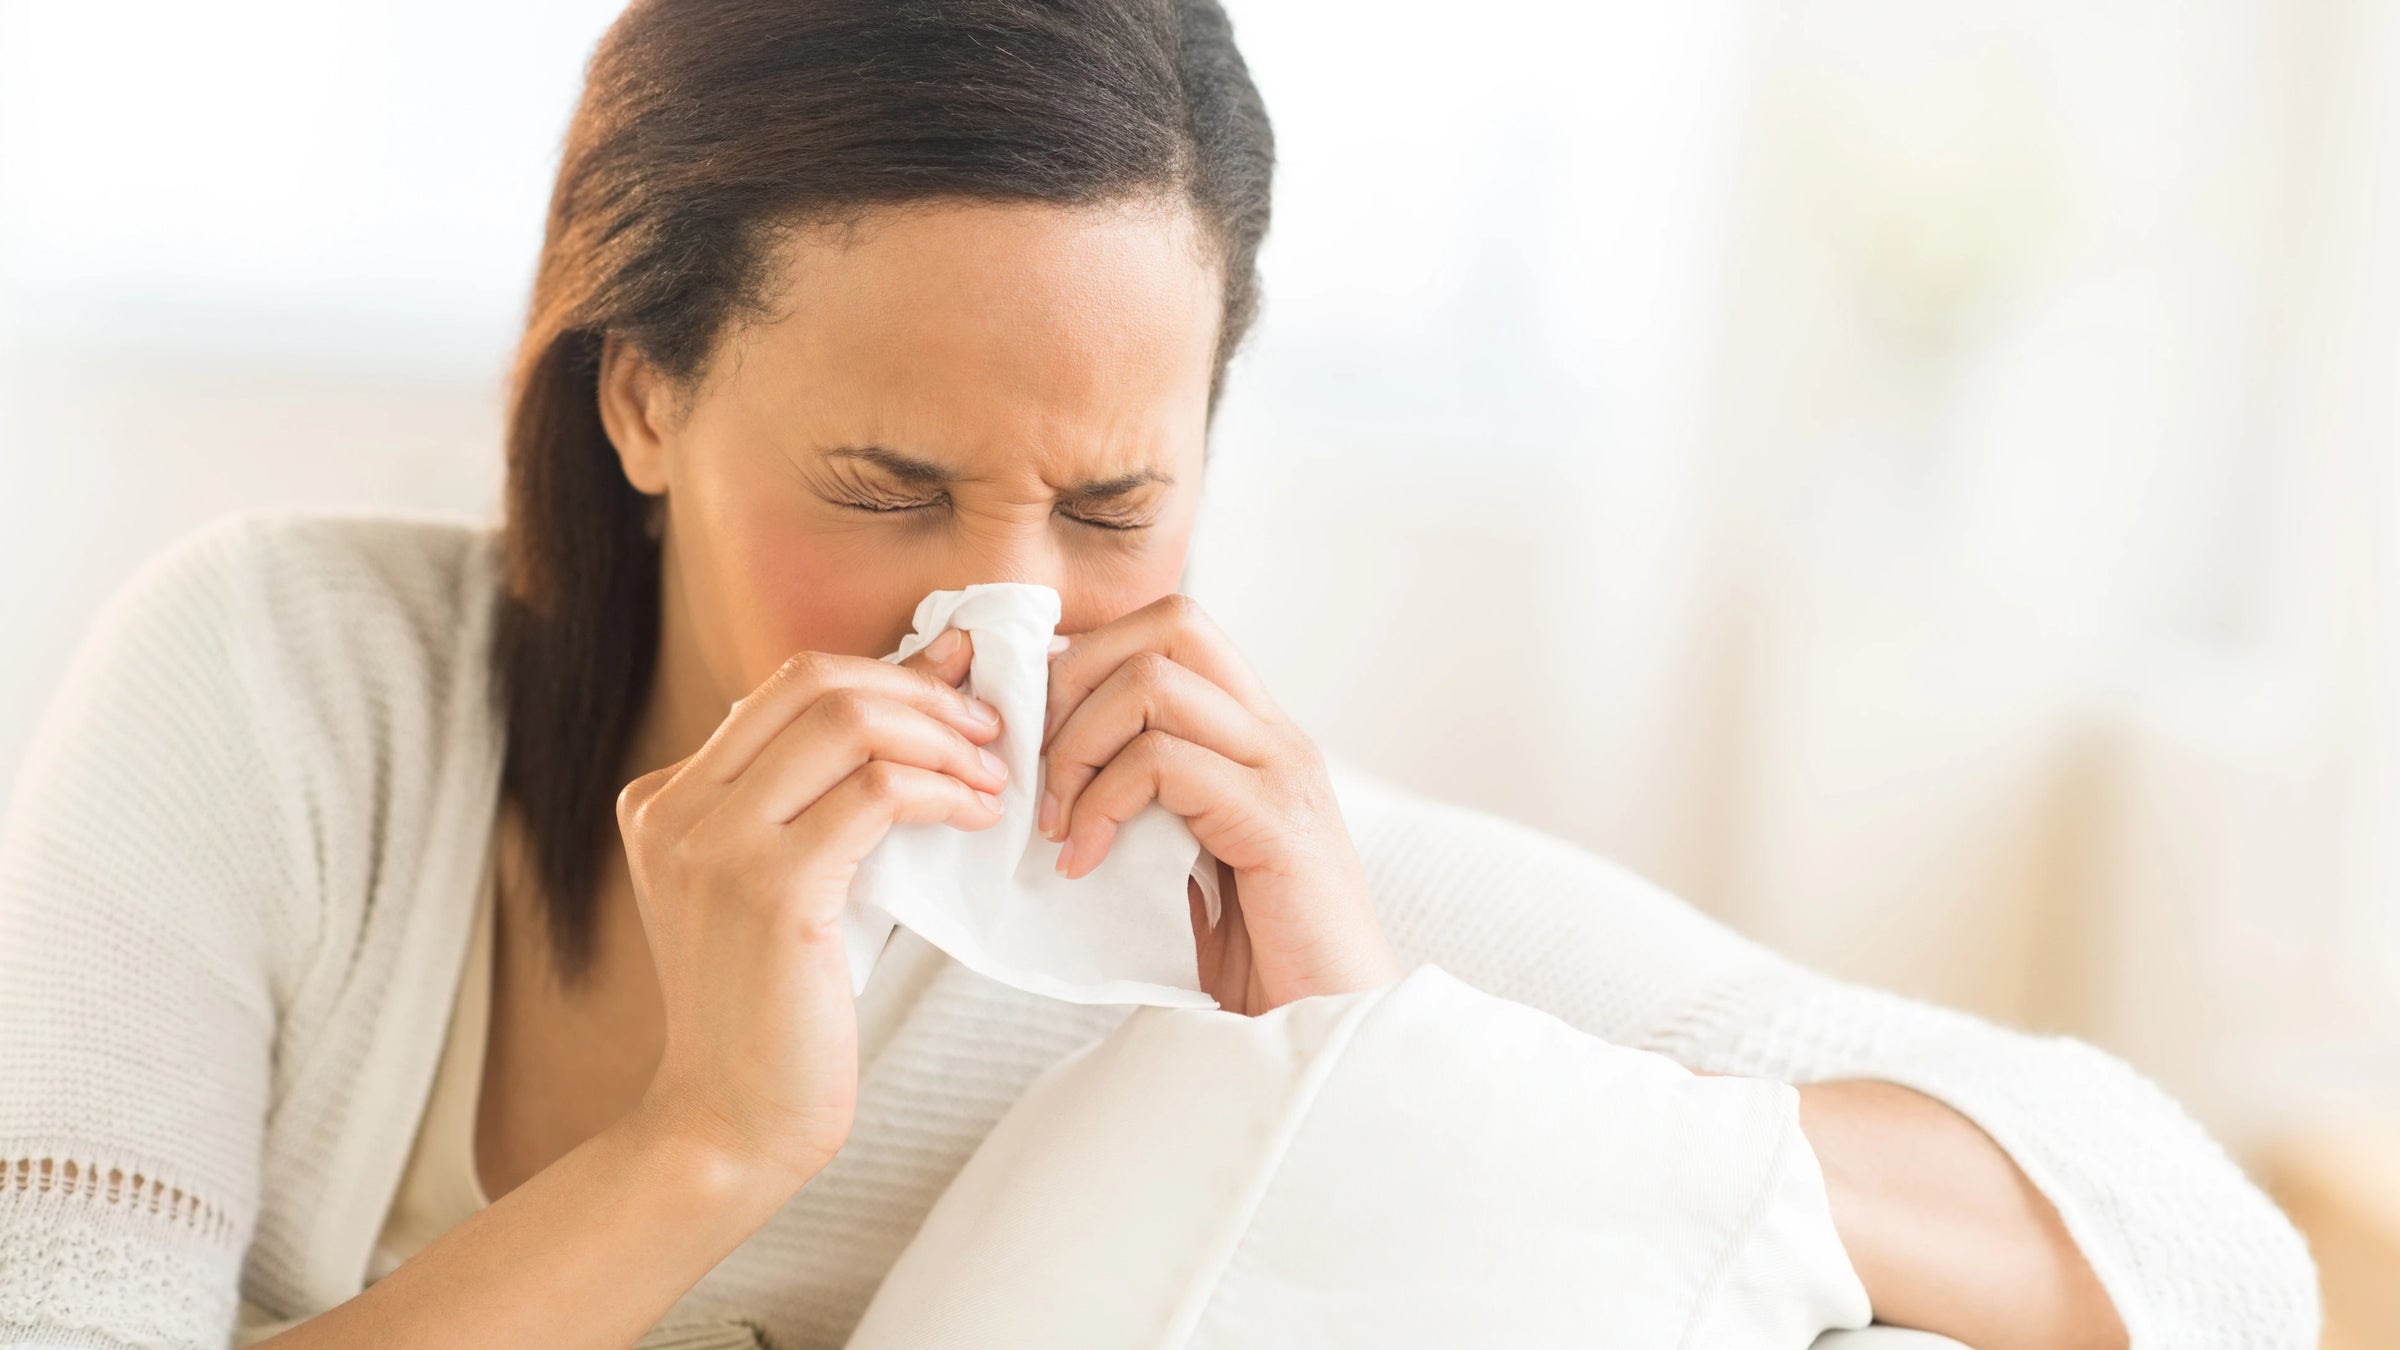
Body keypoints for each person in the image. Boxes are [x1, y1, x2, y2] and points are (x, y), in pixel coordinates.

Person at [0, 2, 2316, 1347]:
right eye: (889, 484)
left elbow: (2205, 1257)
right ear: (638, 402)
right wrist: (711, 1147)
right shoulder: (284, 697)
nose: (1000, 609)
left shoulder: (1191, 886)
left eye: (1110, 509)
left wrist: (1391, 1057)